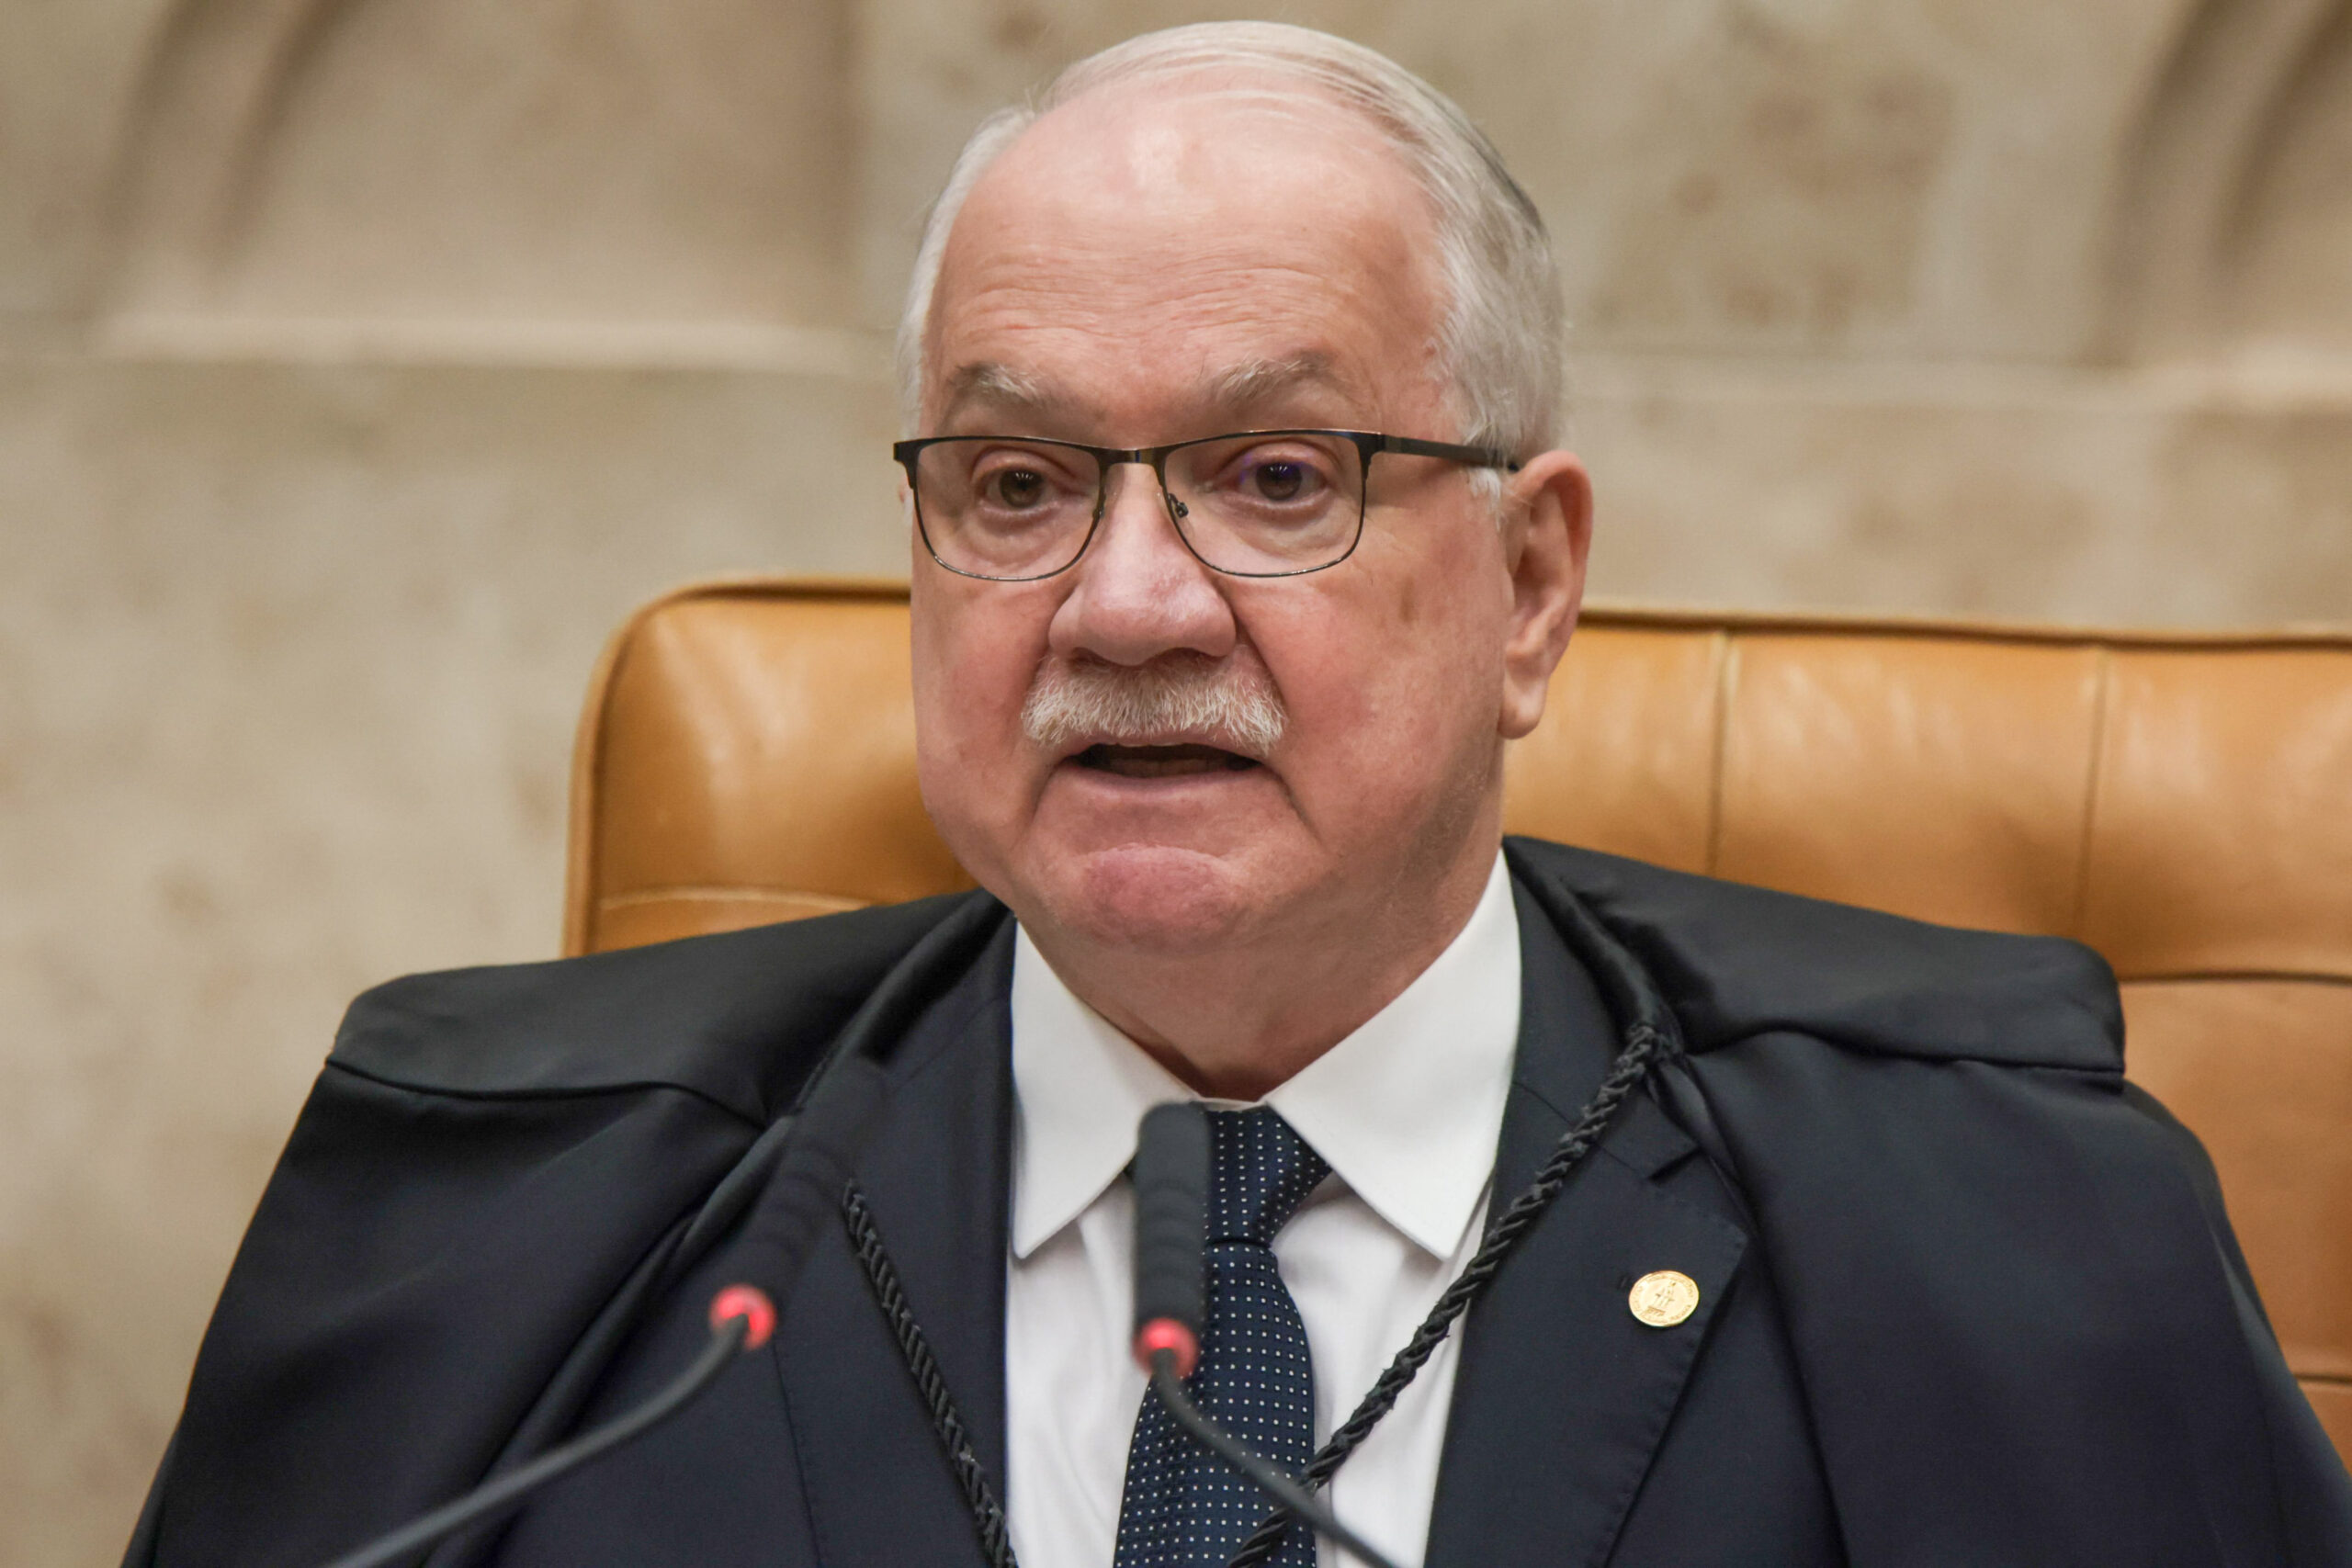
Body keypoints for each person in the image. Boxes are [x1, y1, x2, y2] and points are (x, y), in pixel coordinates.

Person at [127, 22, 2351, 1568]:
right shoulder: (516, 1215)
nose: (1122, 602)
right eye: (1015, 482)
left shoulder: (2004, 1213)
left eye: (1276, 475)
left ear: (1528, 586)